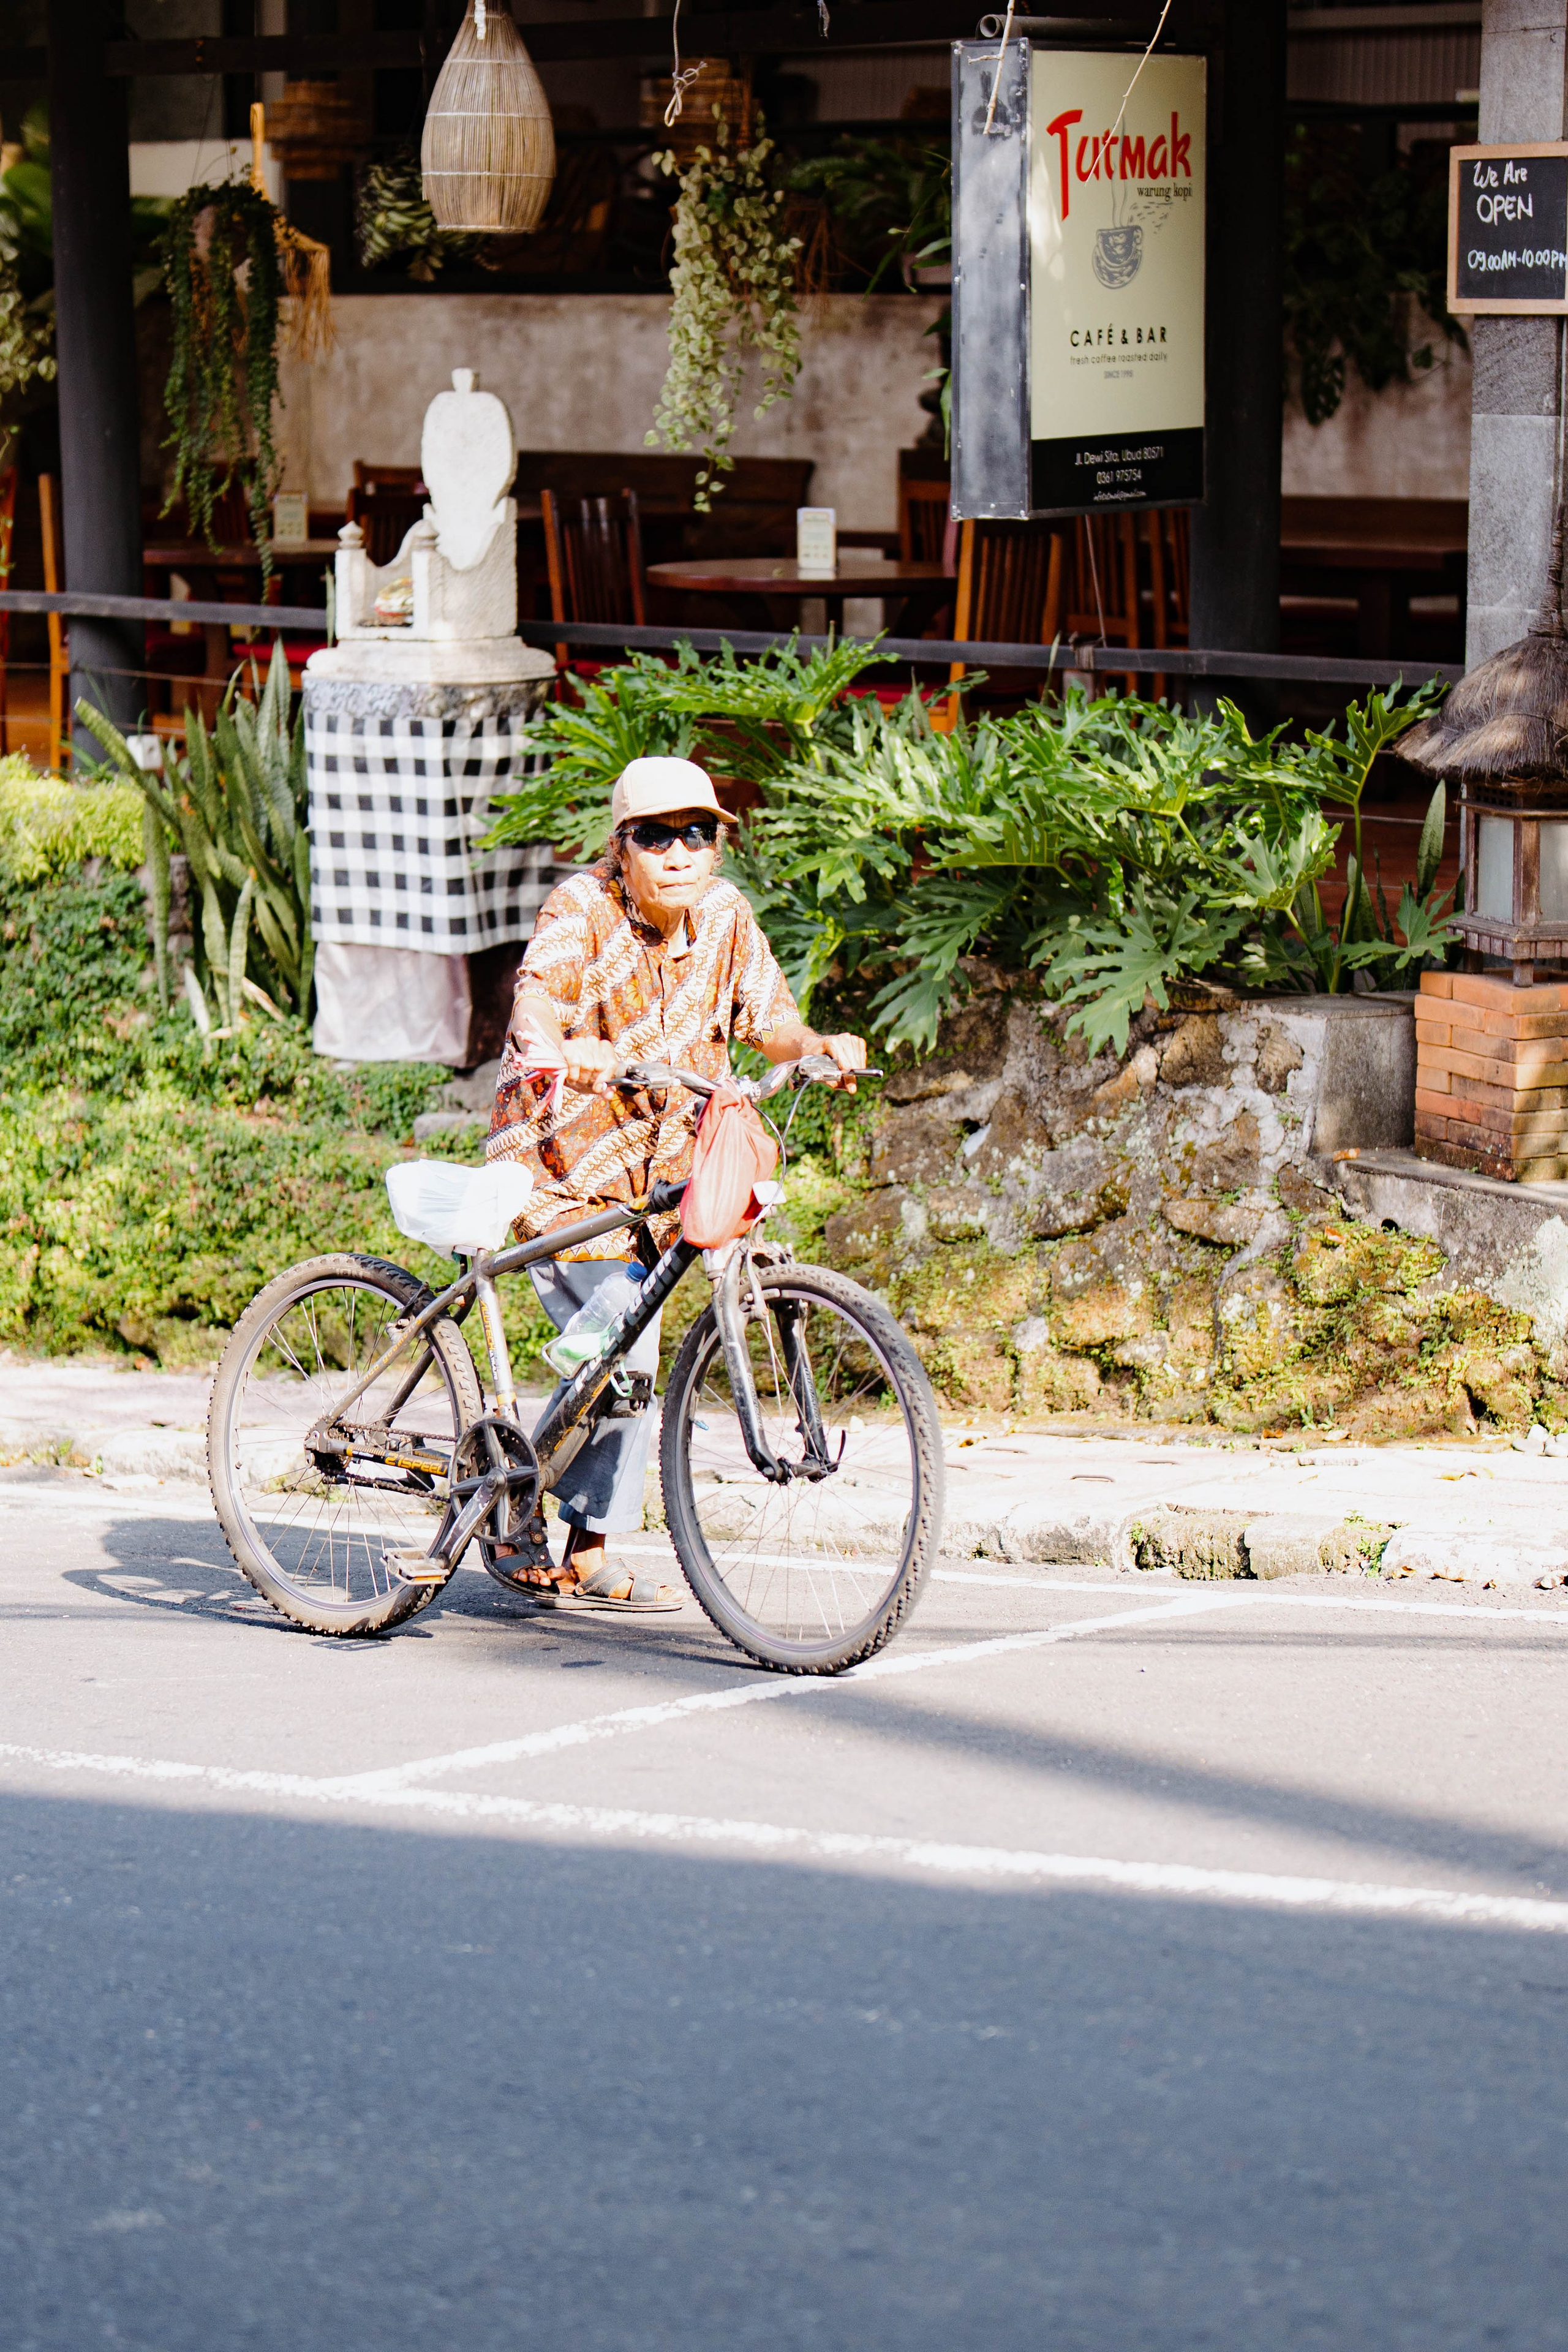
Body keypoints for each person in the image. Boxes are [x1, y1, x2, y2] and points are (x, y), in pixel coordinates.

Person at [486, 755, 866, 1611]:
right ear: (621, 847)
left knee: (627, 1351)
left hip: (673, 1159)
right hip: (570, 1158)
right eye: (656, 836)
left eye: (698, 834)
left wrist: (820, 1049)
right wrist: (562, 1046)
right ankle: (524, 1519)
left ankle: (582, 1548)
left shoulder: (727, 917)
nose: (679, 853)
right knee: (624, 1337)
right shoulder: (582, 907)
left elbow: (771, 1025)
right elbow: (535, 996)